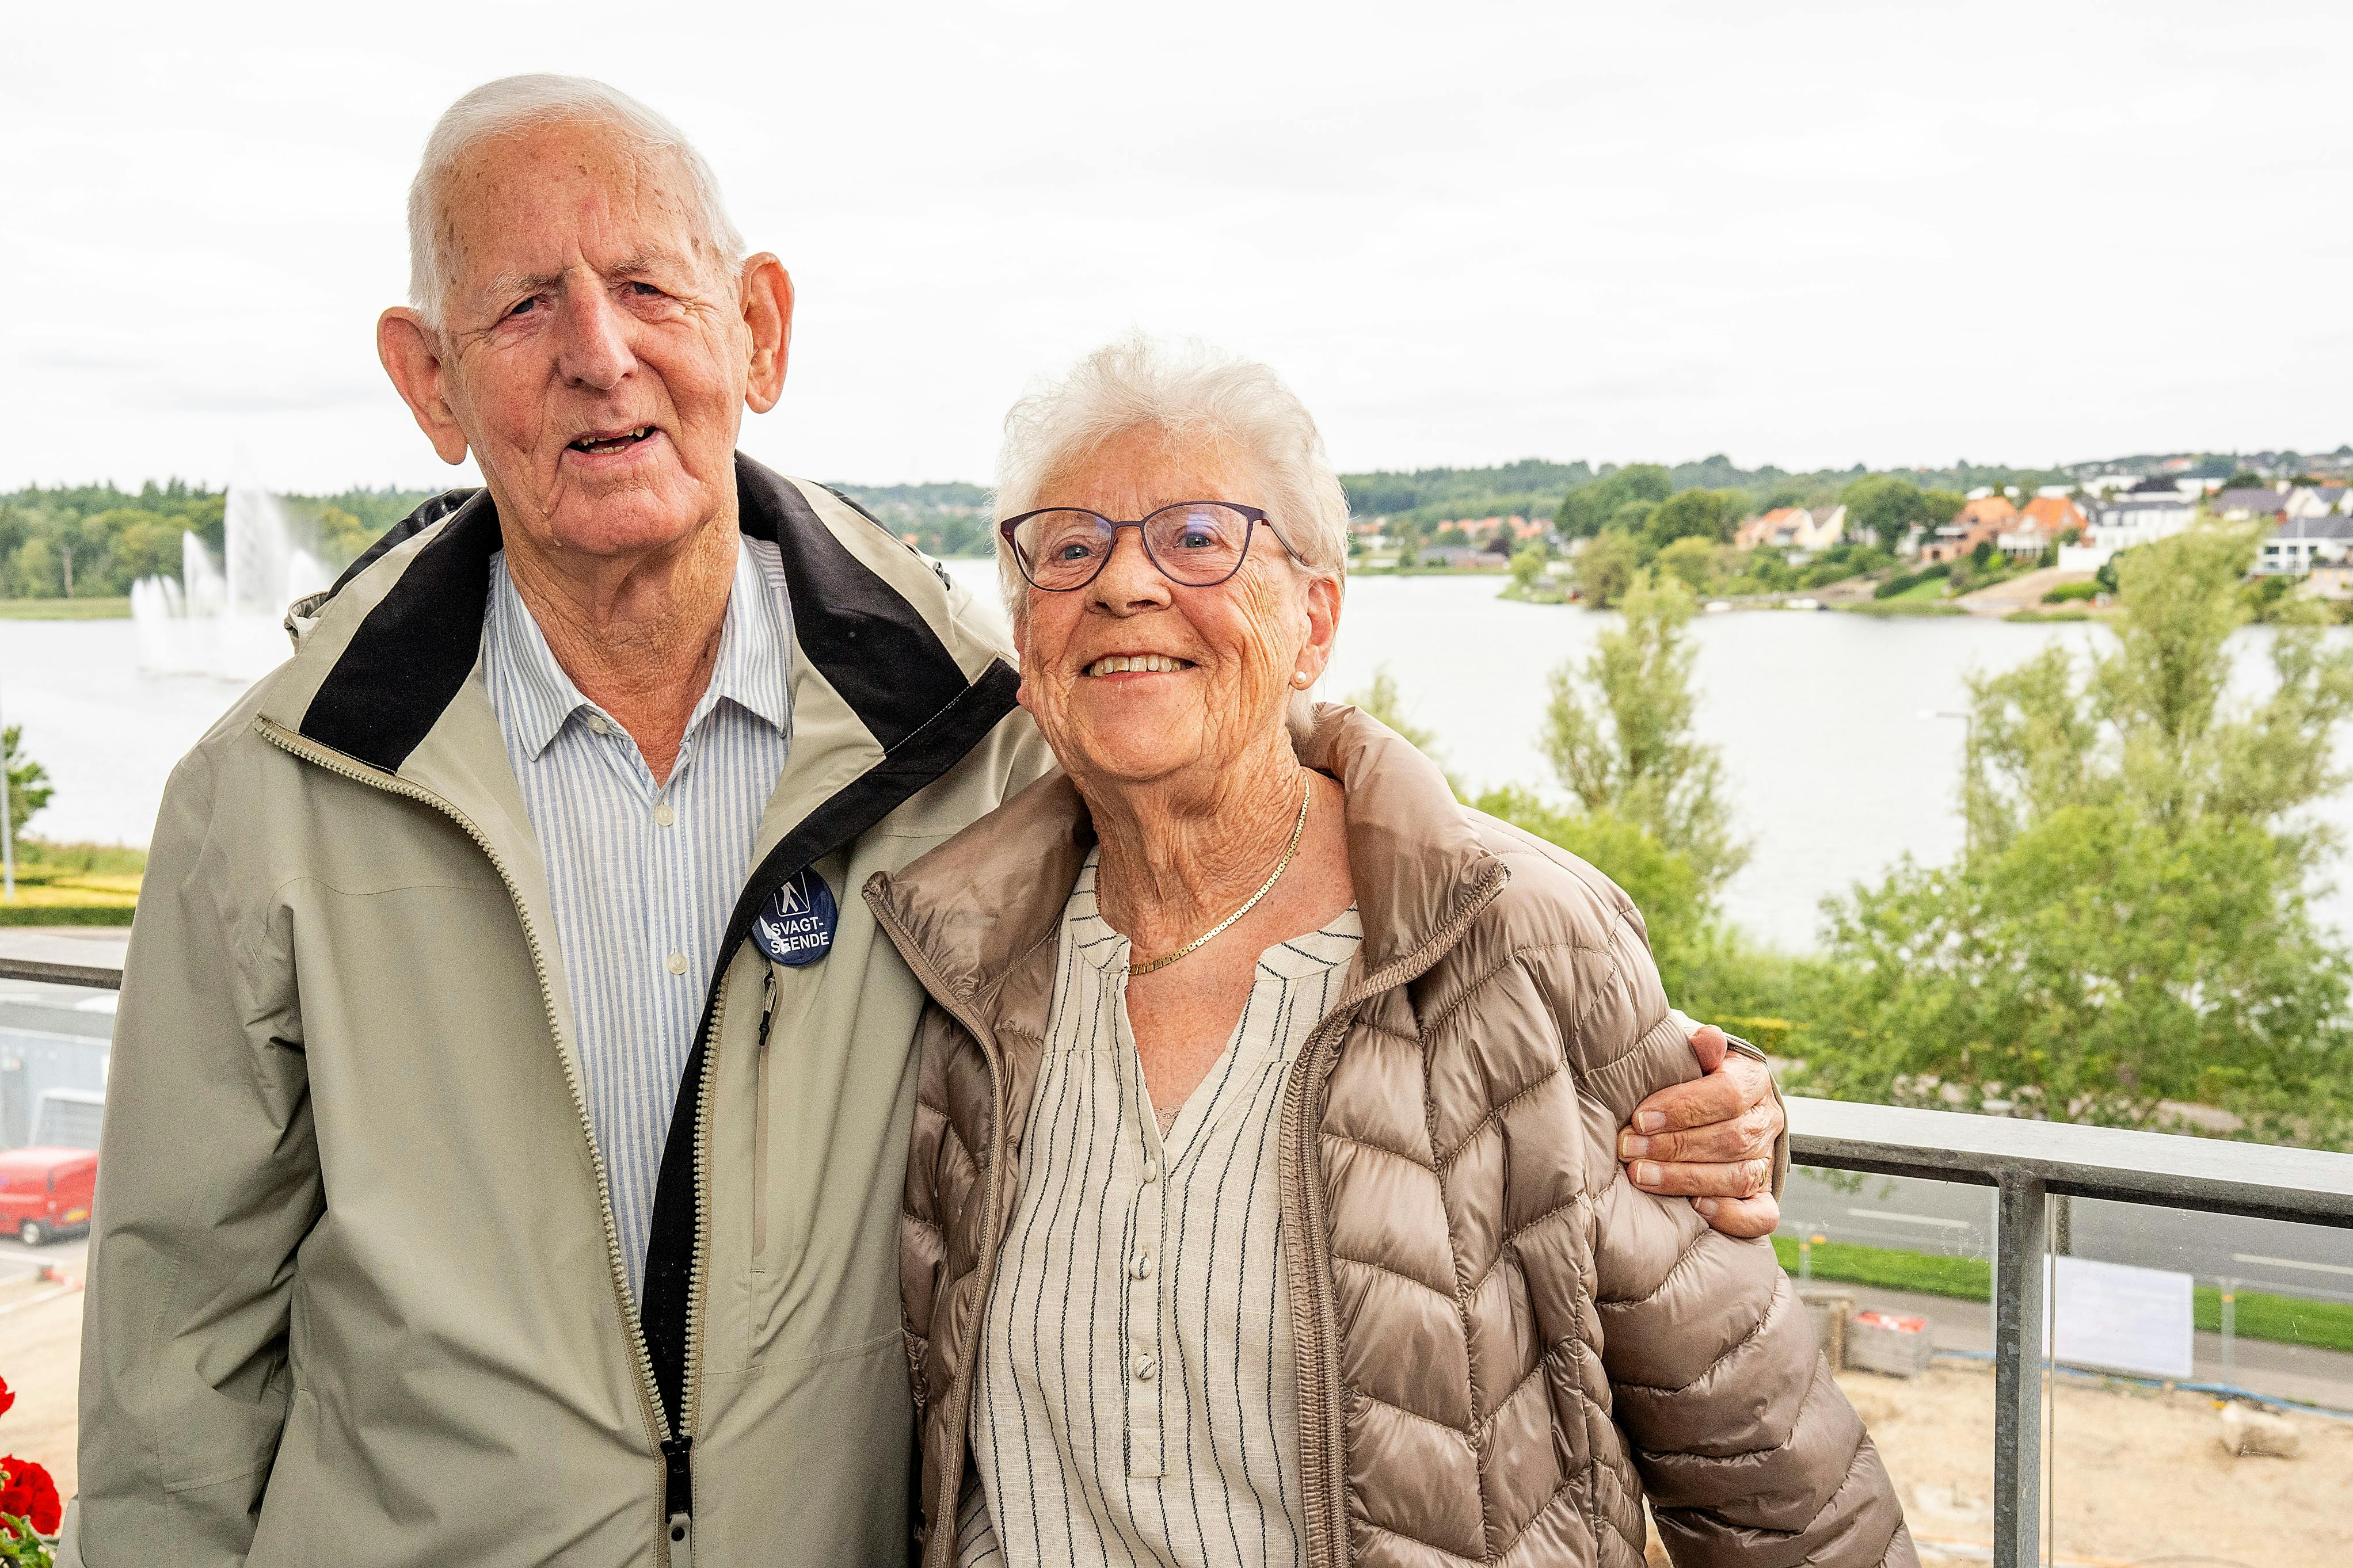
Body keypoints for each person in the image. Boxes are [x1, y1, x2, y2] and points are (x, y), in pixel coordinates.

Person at [67, 78, 1784, 1568]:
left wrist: (1633, 1051)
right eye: (521, 306)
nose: (600, 352)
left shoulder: (973, 734)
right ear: (429, 379)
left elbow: (1238, 755)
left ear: (758, 331)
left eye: (650, 286)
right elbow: (173, 1351)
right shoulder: (269, 798)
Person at [874, 339, 1913, 1568]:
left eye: (1198, 537)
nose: (1124, 584)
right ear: (1026, 632)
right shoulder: (957, 963)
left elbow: (1767, 1475)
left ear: (1312, 622)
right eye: (1068, 548)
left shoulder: (1519, 940)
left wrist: (1732, 1104)